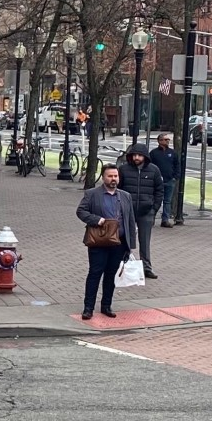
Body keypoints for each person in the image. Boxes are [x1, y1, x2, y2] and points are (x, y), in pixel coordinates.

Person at [76, 163, 138, 320]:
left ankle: (106, 305)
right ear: (103, 177)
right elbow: (81, 211)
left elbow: (130, 220)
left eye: (115, 176)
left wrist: (130, 245)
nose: (113, 179)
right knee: (95, 273)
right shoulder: (92, 194)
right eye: (110, 176)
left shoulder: (125, 196)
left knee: (111, 275)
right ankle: (88, 307)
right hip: (99, 242)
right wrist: (97, 220)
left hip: (119, 243)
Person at [117, 143, 164, 279]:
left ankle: (146, 267)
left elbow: (159, 190)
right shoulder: (124, 169)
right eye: (134, 155)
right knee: (125, 240)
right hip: (127, 211)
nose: (136, 157)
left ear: (145, 156)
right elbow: (118, 189)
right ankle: (122, 266)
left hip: (146, 210)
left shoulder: (154, 170)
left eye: (139, 155)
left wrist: (154, 208)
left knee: (145, 241)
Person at [148, 134, 178, 228]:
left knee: (167, 201)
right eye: (165, 139)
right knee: (154, 200)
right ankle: (151, 218)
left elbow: (177, 165)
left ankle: (165, 220)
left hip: (169, 180)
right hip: (157, 181)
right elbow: (149, 165)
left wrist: (175, 177)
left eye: (168, 139)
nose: (168, 141)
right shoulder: (153, 153)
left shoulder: (172, 153)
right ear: (160, 141)